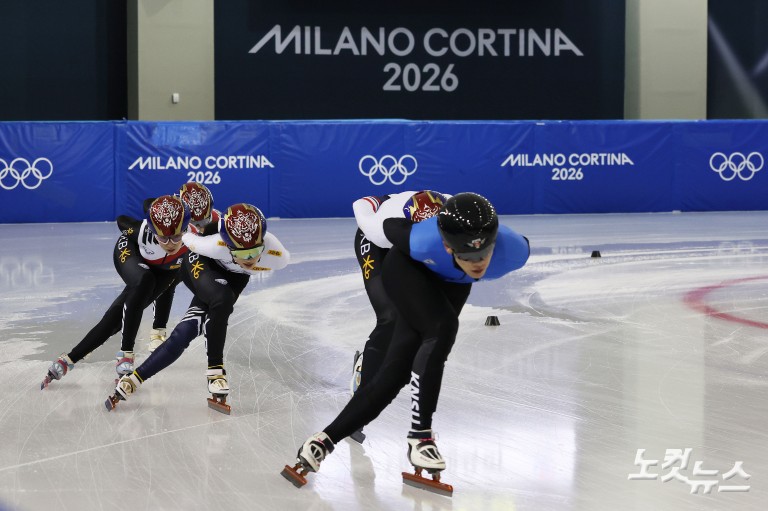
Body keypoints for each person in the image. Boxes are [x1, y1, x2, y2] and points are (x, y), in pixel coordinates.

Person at [282, 192, 530, 494]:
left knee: (397, 371)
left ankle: (323, 440)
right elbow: (369, 217)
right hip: (406, 265)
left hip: (452, 281)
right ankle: (421, 437)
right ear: (448, 245)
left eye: (483, 254)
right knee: (441, 327)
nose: (477, 263)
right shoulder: (418, 238)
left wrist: (463, 264)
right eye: (466, 256)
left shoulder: (514, 250)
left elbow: (477, 260)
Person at [105, 202, 290, 414]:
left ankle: (134, 379)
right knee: (221, 301)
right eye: (240, 253)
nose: (249, 259)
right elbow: (184, 235)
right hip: (199, 265)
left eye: (255, 251)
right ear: (227, 246)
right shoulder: (212, 245)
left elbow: (270, 258)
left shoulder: (278, 255)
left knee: (185, 333)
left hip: (233, 281)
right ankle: (216, 372)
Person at [41, 195, 191, 389]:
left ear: (186, 229)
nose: (170, 243)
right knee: (144, 280)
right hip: (130, 252)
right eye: (162, 237)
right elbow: (122, 220)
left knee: (119, 315)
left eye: (176, 237)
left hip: (165, 272)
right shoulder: (142, 230)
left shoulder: (194, 241)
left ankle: (70, 358)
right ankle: (126, 353)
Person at [347, 190, 448, 443]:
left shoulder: (453, 211)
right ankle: (362, 393)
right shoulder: (380, 228)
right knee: (390, 316)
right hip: (376, 243)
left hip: (411, 238)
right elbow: (362, 203)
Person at [146, 182, 220, 353]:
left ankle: (208, 323)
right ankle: (157, 332)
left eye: (205, 220)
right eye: (195, 221)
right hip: (178, 254)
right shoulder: (171, 216)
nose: (201, 227)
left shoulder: (218, 221)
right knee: (168, 283)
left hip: (201, 257)